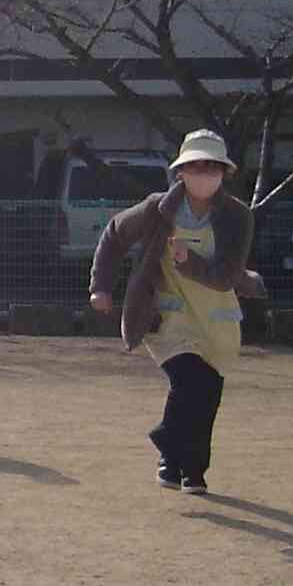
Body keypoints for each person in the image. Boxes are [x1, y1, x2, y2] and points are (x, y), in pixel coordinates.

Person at [90, 129, 265, 496]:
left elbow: (227, 275)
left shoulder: (237, 215)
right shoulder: (157, 208)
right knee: (189, 382)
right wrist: (100, 287)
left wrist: (190, 263)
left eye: (211, 166)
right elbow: (113, 236)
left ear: (223, 172)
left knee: (207, 396)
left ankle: (187, 467)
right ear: (181, 171)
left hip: (216, 317)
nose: (203, 173)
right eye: (195, 165)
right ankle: (172, 450)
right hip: (168, 317)